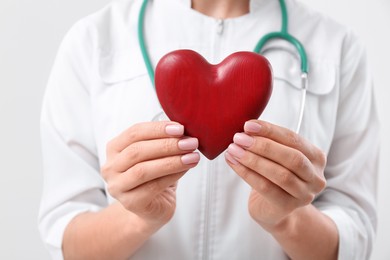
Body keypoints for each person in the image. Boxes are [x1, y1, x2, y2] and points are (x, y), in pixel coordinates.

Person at [38, 0, 379, 259]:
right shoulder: (94, 40)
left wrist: (286, 220)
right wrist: (137, 219)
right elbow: (65, 234)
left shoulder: (337, 47)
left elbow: (355, 233)